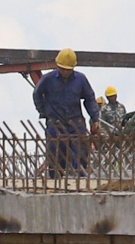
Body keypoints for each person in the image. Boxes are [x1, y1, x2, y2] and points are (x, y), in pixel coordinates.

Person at [32, 48, 99, 176]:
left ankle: (80, 182)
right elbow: (37, 94)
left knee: (80, 156)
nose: (65, 72)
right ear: (57, 66)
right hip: (55, 125)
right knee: (56, 158)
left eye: (68, 70)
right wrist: (44, 112)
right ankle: (56, 184)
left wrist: (95, 117)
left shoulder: (80, 79)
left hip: (76, 124)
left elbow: (89, 98)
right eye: (62, 69)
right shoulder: (48, 79)